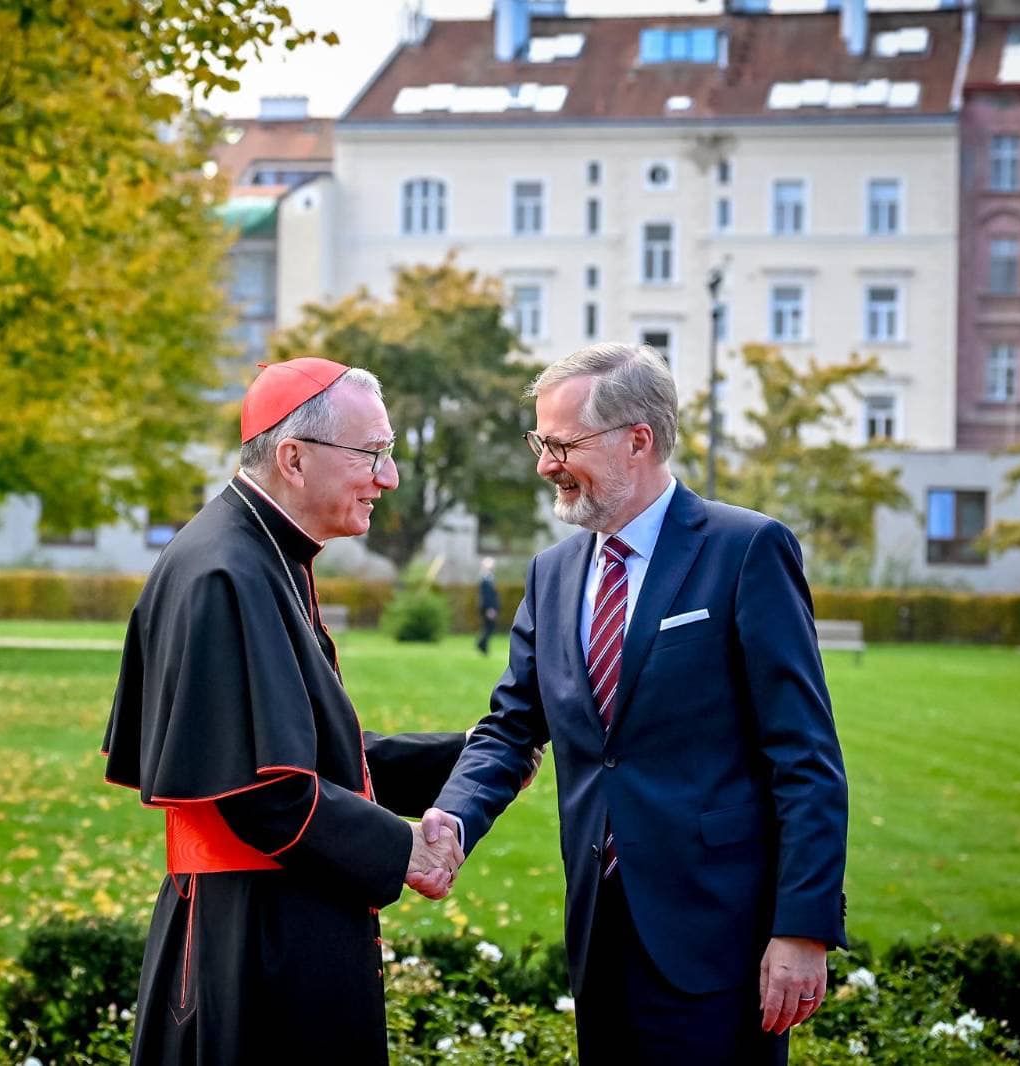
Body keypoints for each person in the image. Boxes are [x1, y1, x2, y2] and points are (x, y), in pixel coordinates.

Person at [422, 343, 848, 1064]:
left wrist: (802, 928)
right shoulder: (551, 573)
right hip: (600, 935)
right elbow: (508, 728)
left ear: (638, 440)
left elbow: (804, 756)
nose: (544, 464)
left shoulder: (746, 551)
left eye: (560, 444)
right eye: (540, 441)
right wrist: (453, 819)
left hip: (721, 942)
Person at [104, 358, 497, 1064]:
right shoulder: (225, 570)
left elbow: (298, 749)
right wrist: (403, 850)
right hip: (256, 949)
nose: (389, 477)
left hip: (272, 923)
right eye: (373, 454)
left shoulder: (263, 553)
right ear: (293, 457)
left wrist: (465, 752)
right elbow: (263, 792)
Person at [475, 556, 500, 655]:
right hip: (488, 608)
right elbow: (487, 596)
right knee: (489, 627)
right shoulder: (485, 579)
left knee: (487, 627)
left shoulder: (488, 578)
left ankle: (483, 646)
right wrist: (490, 609)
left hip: (489, 608)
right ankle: (482, 645)